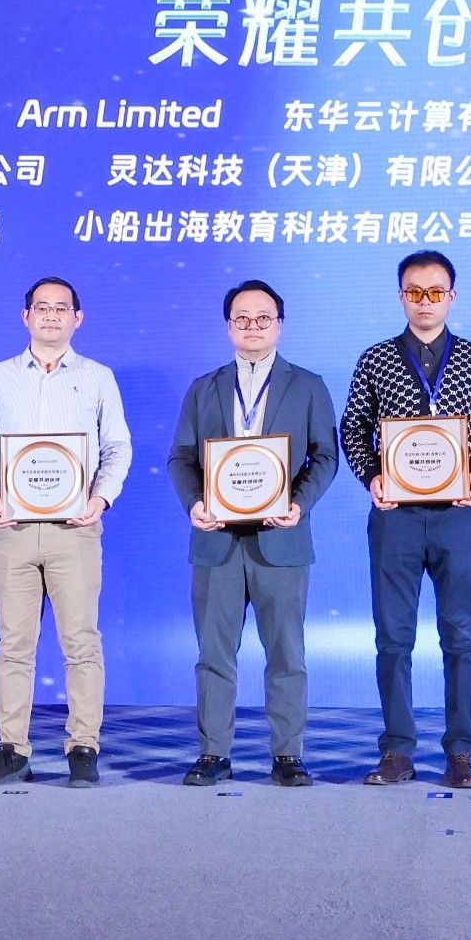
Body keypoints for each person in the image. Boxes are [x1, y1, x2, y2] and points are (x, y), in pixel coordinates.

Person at [340, 249, 471, 786]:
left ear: (451, 297)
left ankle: (461, 752)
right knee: (393, 638)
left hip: (457, 516)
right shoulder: (376, 359)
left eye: (435, 292)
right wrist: (372, 476)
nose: (425, 301)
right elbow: (353, 428)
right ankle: (397, 750)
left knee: (461, 635)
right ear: (401, 297)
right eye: (414, 292)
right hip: (396, 517)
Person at [166, 279, 340, 787]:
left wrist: (299, 503)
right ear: (228, 327)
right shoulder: (204, 387)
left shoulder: (307, 385)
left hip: (281, 539)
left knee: (286, 653)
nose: (253, 326)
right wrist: (195, 503)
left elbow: (325, 456)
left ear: (279, 325)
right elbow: (180, 457)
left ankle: (288, 754)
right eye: (242, 318)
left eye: (263, 318)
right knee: (213, 654)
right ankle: (213, 753)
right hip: (216, 539)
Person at [0, 276, 130, 786]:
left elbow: (116, 447)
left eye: (61, 308)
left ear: (78, 318)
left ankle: (83, 746)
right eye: (42, 307)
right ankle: (12, 748)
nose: (51, 315)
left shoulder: (98, 377)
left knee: (81, 642)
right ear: (26, 317)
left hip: (74, 530)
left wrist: (99, 500)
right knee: (14, 644)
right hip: (12, 528)